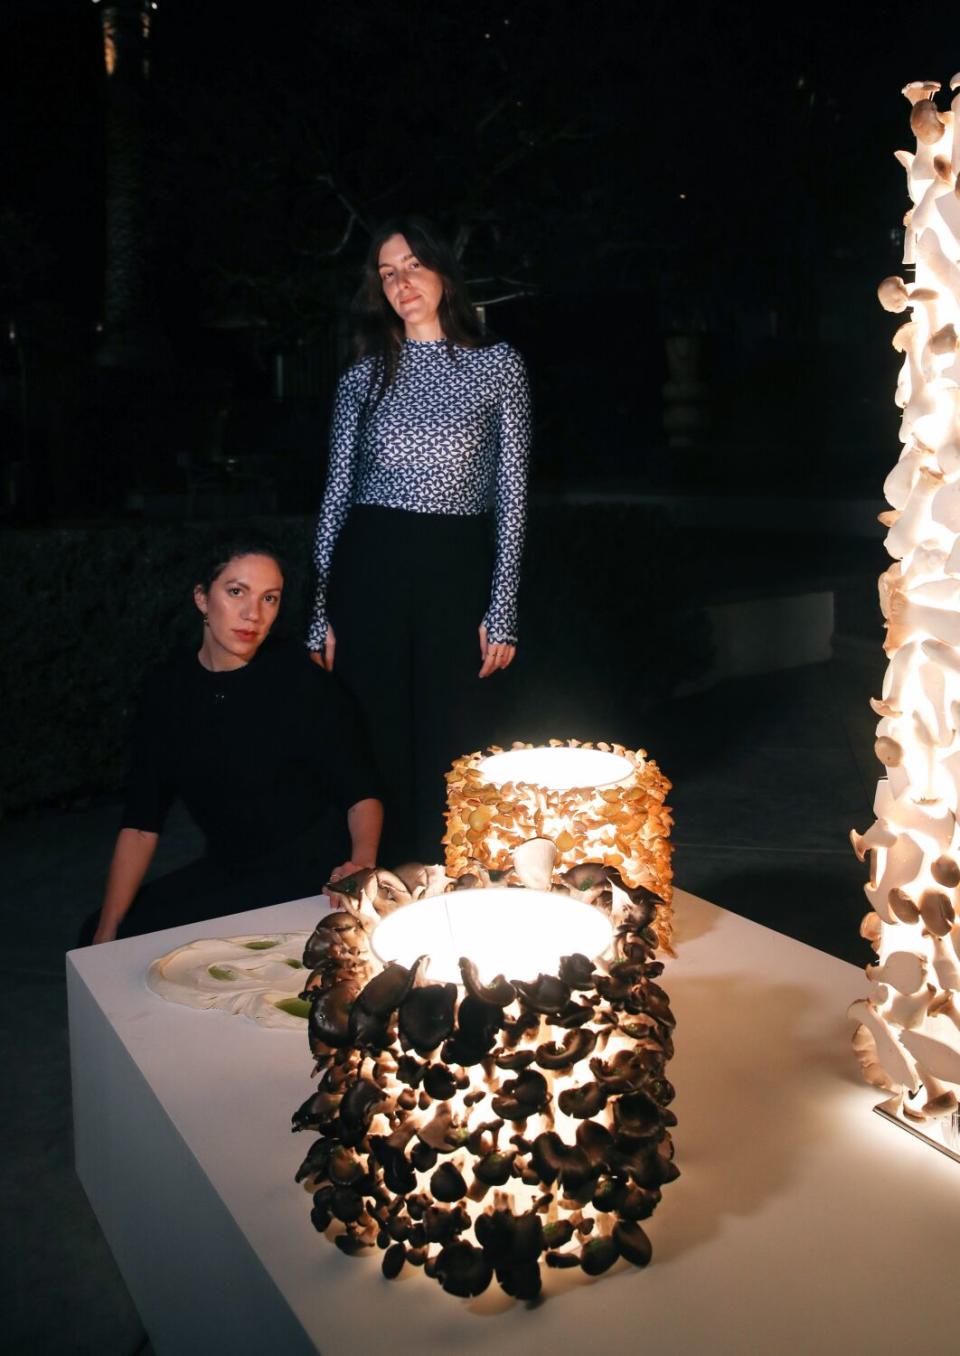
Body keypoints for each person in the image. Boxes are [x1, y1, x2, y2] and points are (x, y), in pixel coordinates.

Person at [307, 216, 532, 864]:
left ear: (440, 272)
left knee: (456, 736)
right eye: (387, 273)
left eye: (412, 266)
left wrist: (504, 605)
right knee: (372, 736)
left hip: (454, 567)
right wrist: (318, 608)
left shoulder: (498, 367)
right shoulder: (361, 378)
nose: (402, 282)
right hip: (370, 565)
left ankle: (454, 882)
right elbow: (335, 496)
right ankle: (371, 886)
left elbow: (513, 496)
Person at [84, 542, 383, 944]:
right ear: (202, 598)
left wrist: (360, 865)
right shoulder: (167, 691)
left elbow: (361, 792)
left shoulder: (300, 679)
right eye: (236, 592)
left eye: (269, 599)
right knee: (102, 933)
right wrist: (108, 929)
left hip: (310, 870)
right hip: (229, 866)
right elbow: (140, 825)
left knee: (166, 942)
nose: (253, 615)